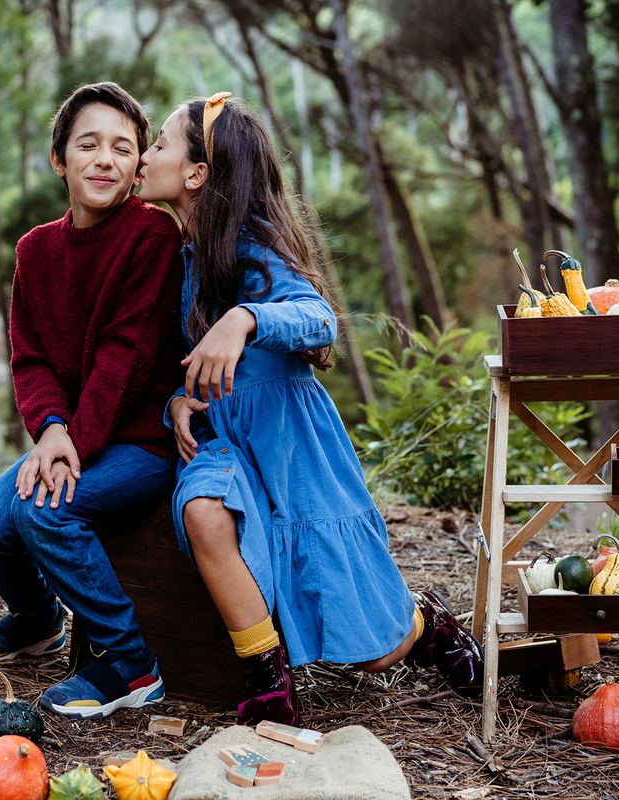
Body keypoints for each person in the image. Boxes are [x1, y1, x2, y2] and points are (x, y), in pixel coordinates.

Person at [137, 92, 484, 726]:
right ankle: (267, 679)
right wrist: (178, 401)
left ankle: (423, 625)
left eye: (159, 144)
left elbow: (318, 318)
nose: (145, 155)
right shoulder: (182, 256)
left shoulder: (252, 246)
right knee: (203, 512)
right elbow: (180, 362)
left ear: (196, 174)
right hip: (225, 445)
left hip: (290, 446)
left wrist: (246, 318)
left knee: (373, 652)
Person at [0, 82, 185, 720]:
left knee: (43, 512)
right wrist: (53, 431)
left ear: (139, 167)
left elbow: (125, 356)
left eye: (123, 148)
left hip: (142, 441)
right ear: (59, 159)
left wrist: (70, 444)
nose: (104, 159)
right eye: (88, 145)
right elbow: (29, 358)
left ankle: (130, 662)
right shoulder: (35, 251)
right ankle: (38, 622)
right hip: (73, 437)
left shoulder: (152, 237)